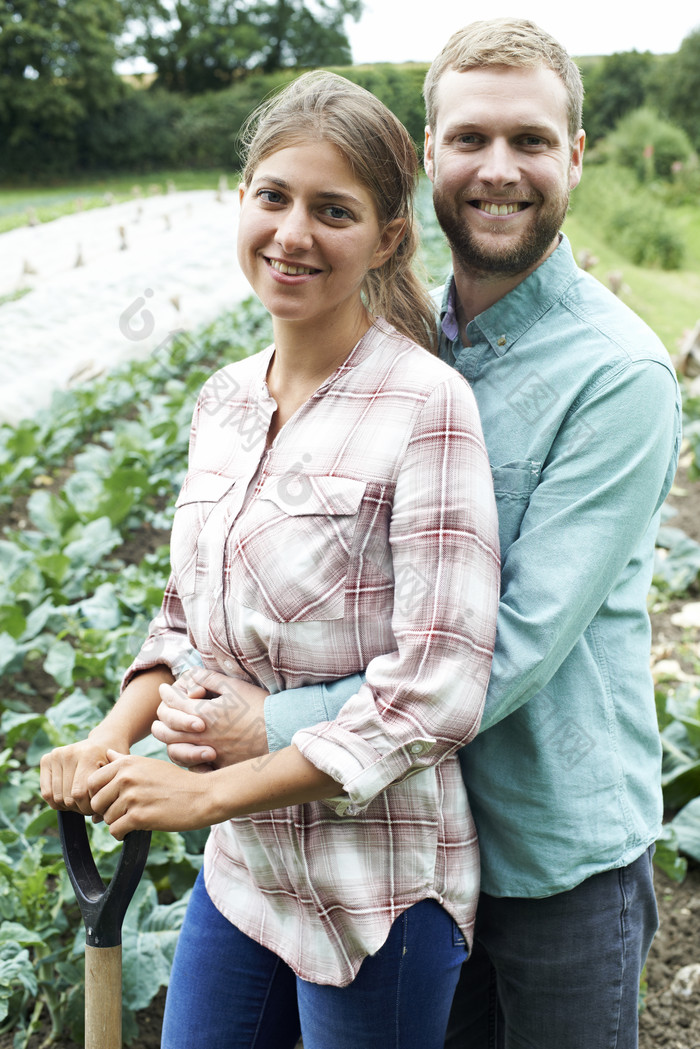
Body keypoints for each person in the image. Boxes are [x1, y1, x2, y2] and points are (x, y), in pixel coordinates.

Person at [151, 19, 683, 1049]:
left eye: (530, 140)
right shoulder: (399, 339)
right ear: (430, 151)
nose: (499, 169)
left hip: (546, 854)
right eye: (470, 138)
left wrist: (271, 723)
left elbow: (505, 646)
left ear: (575, 155)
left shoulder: (617, 376)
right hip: (390, 840)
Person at [40, 71, 501, 1049]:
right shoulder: (223, 400)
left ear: (387, 237)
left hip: (375, 893)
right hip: (246, 871)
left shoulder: (427, 406)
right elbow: (184, 616)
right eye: (274, 197)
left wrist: (204, 792)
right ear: (242, 199)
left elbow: (439, 688)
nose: (293, 234)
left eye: (333, 211)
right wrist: (112, 740)